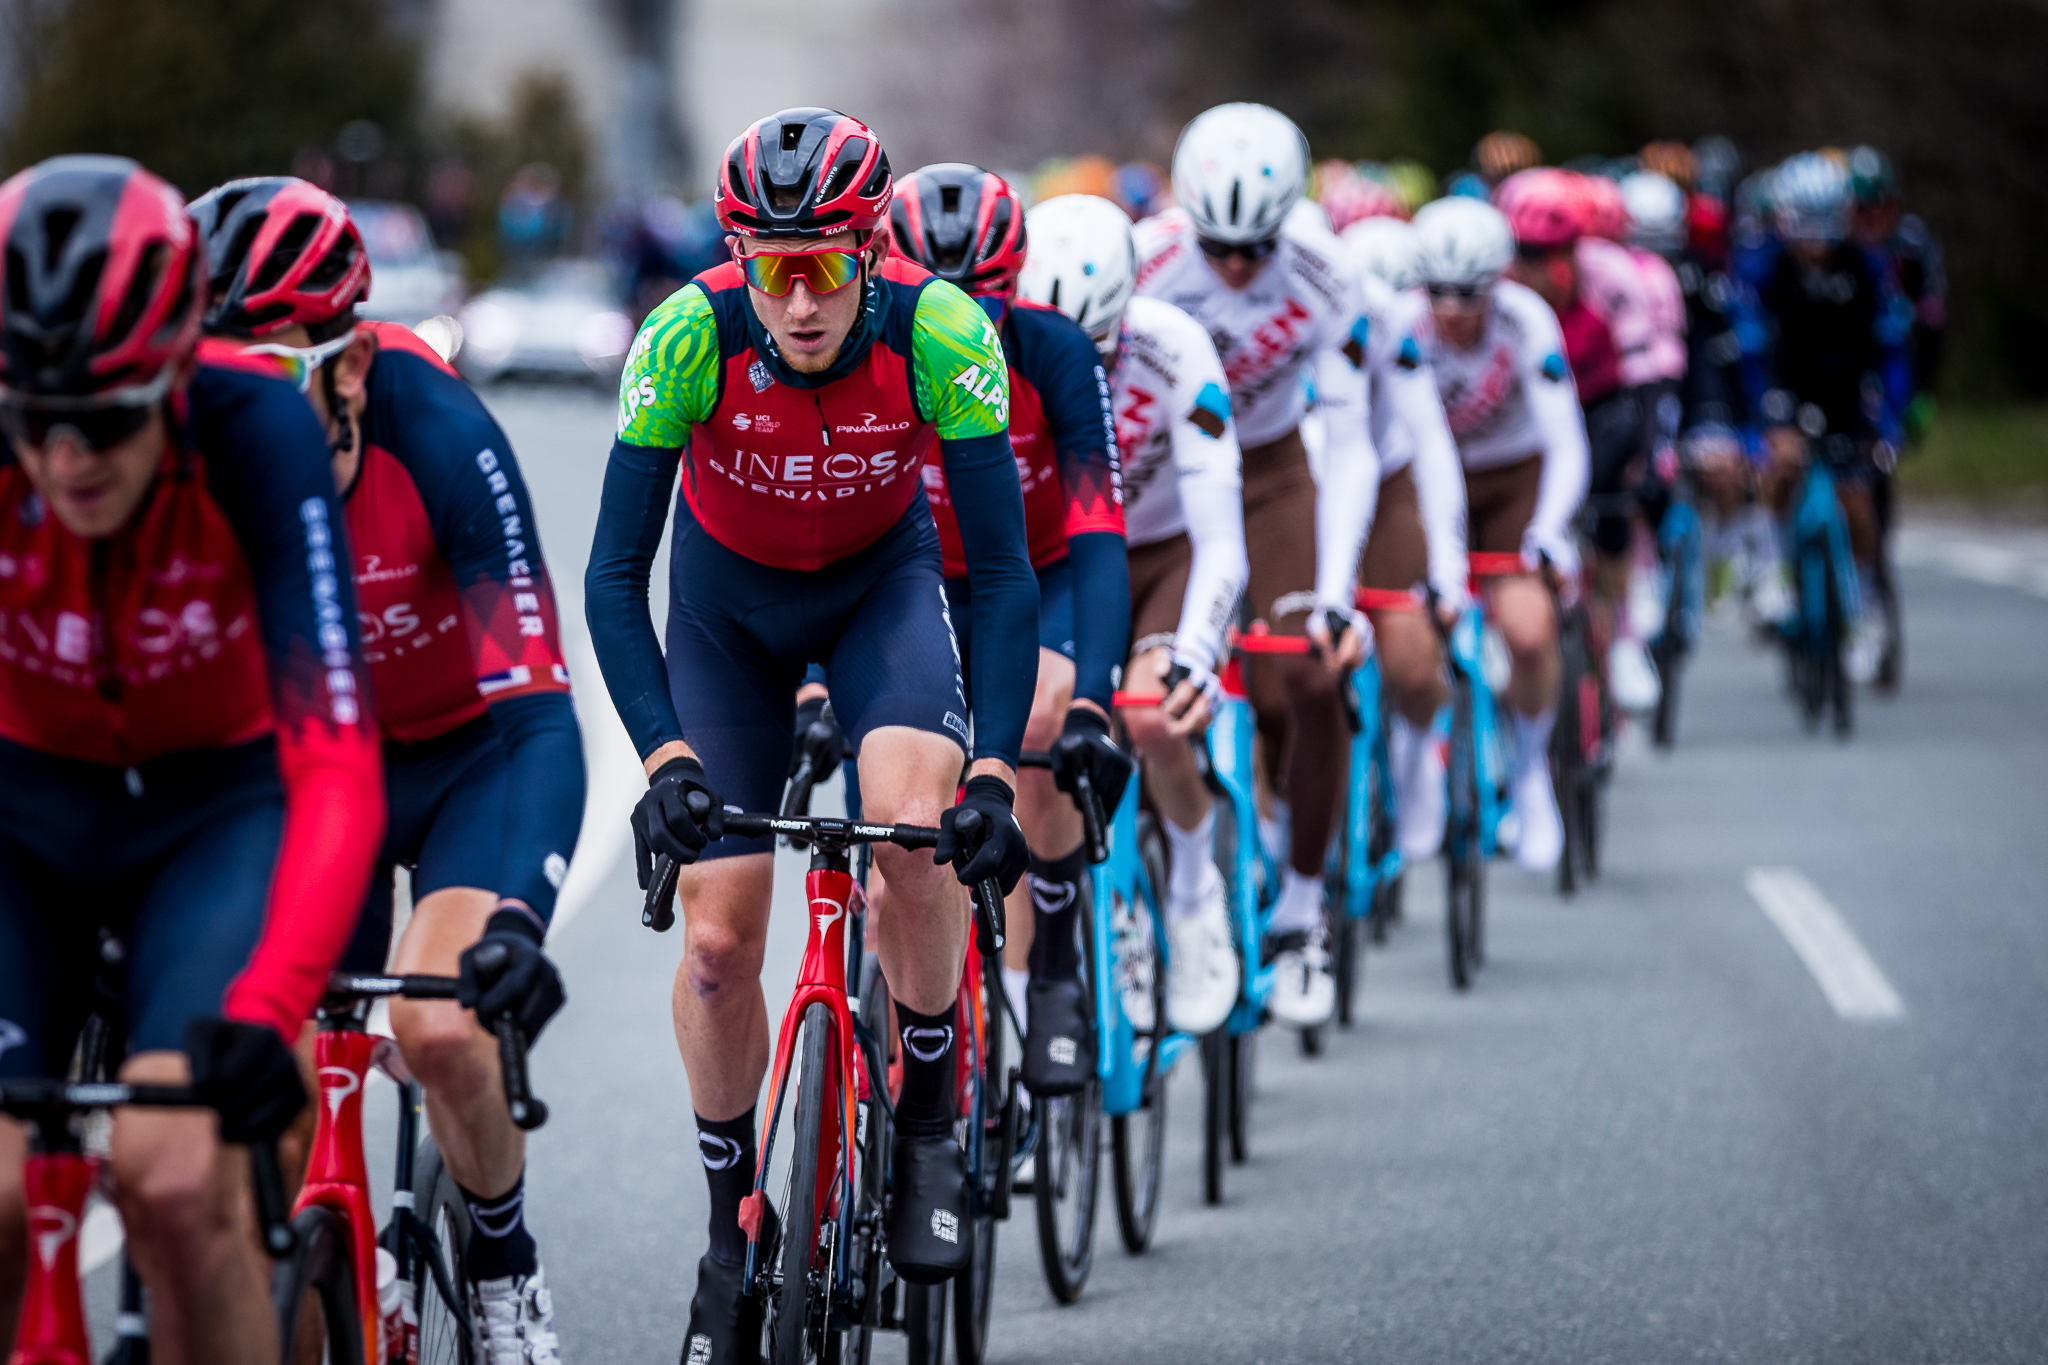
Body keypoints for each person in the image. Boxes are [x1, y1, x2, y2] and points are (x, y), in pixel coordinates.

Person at [583, 109, 1036, 1364]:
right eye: (767, 266)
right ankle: (729, 1227)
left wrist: (994, 770)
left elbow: (1001, 575)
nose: (795, 301)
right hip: (725, 620)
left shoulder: (942, 331)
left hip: (880, 597)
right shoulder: (686, 335)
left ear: (873, 250)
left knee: (913, 838)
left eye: (824, 266)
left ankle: (930, 1118)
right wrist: (665, 760)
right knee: (718, 944)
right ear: (736, 256)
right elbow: (613, 578)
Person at [191, 175, 583, 1363]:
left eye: (269, 375)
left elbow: (539, 718)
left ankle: (504, 1267)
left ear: (350, 368)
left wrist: (517, 921)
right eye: (204, 377)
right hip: (319, 775)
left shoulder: (443, 438)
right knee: (265, 1084)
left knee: (441, 1028)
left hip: (469, 759)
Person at [0, 155, 384, 1362]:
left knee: (173, 1177)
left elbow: (335, 759)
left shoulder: (256, 428)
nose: (68, 459)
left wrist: (270, 1012)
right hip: (21, 817)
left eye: (107, 417)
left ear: (179, 367)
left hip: (212, 813)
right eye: (36, 420)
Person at [1133, 102, 1381, 1031]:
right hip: (1160, 485)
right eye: (1218, 247)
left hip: (1272, 473)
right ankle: (1150, 883)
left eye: (1256, 248)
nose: (1237, 265)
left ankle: (1303, 911)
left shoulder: (1327, 272)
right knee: (1134, 697)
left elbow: (1350, 443)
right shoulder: (1145, 259)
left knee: (1306, 676)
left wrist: (1335, 592)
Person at [886, 163, 1133, 1094]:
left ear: (1016, 287)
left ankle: (1054, 959)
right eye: (934, 302)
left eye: (983, 305)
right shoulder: (862, 358)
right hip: (916, 579)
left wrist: (1094, 704)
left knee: (1040, 719)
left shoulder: (1057, 352)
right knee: (897, 829)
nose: (959, 325)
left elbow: (1100, 527)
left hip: (1040, 570)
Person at [1018, 192, 1249, 1035]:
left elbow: (1222, 533)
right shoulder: (988, 346)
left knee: (1150, 714)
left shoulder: (1174, 345)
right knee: (1035, 733)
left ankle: (1193, 891)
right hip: (1059, 561)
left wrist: (1198, 650)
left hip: (1163, 550)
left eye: (1099, 349)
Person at [1411, 195, 1588, 872]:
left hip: (1513, 478)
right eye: (1437, 292)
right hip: (1427, 483)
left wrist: (1549, 530)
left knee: (1530, 632)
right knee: (1410, 634)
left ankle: (1532, 769)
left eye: (1469, 294)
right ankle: (1417, 759)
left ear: (1497, 283)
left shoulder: (1526, 321)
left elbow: (1565, 441)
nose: (1451, 309)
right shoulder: (1403, 324)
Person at [1336, 215, 1471, 860]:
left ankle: (1418, 755)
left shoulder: (1401, 334)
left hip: (1387, 483)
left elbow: (1432, 445)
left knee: (1412, 657)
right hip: (1309, 484)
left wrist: (1448, 569)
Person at [1754, 152, 1891, 683]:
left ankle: (1865, 610)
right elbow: (1750, 347)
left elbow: (1887, 346)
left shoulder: (1865, 267)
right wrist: (1768, 417)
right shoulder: (1765, 267)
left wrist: (1886, 418)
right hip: (1786, 386)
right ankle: (1772, 571)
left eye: (1824, 223)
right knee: (1782, 467)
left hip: (1848, 394)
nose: (1814, 238)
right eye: (1803, 224)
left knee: (1857, 500)